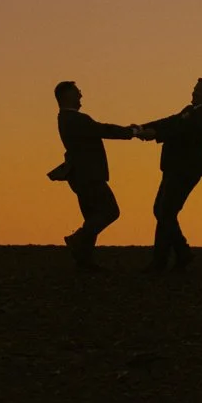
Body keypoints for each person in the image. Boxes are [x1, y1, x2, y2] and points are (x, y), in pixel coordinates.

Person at [136, 77, 202, 272]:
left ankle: (164, 260)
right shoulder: (190, 111)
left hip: (185, 170)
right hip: (174, 168)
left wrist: (154, 134)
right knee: (162, 211)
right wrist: (144, 128)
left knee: (165, 212)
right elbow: (170, 121)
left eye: (198, 90)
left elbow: (181, 131)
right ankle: (180, 253)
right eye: (194, 89)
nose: (193, 92)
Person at [51, 80, 134, 269]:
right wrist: (131, 132)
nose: (81, 95)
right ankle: (78, 239)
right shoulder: (76, 119)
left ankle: (84, 260)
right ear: (67, 96)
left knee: (92, 215)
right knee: (110, 211)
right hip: (89, 175)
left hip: (80, 175)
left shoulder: (66, 119)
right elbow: (104, 130)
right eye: (77, 92)